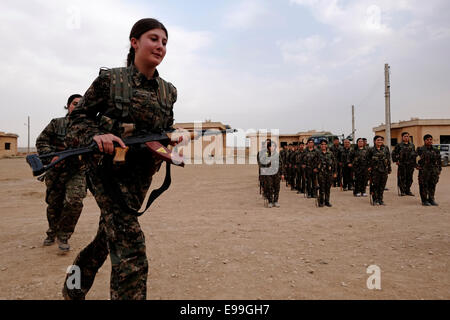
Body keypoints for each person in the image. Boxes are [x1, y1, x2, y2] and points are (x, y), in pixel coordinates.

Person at [62, 18, 178, 300]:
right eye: (154, 39)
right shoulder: (110, 80)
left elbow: (165, 129)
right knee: (129, 241)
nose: (160, 46)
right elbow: (77, 121)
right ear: (134, 42)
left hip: (140, 178)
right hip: (106, 174)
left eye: (164, 42)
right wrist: (95, 136)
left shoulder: (168, 91)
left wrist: (172, 137)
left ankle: (73, 285)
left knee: (107, 238)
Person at [36, 94, 86, 253]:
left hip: (77, 171)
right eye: (74, 103)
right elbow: (42, 141)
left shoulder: (89, 127)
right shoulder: (57, 123)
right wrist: (52, 156)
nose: (77, 106)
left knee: (74, 201)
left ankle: (64, 235)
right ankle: (52, 232)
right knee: (54, 204)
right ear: (68, 105)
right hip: (56, 170)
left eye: (81, 104)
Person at [417, 134, 441, 206]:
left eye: (431, 139)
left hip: (433, 171)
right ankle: (424, 200)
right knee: (423, 185)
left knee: (432, 185)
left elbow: (439, 160)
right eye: (427, 140)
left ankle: (431, 199)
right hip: (424, 171)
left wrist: (439, 170)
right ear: (424, 141)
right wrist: (416, 166)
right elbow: (414, 158)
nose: (429, 141)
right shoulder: (420, 149)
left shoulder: (436, 150)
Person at [367, 136, 392, 205]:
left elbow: (388, 158)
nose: (380, 141)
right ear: (374, 141)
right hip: (375, 170)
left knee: (382, 185)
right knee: (375, 185)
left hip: (384, 170)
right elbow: (367, 159)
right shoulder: (371, 149)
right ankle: (375, 199)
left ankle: (380, 199)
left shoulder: (385, 148)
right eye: (378, 140)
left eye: (381, 140)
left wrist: (389, 168)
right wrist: (369, 167)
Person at [391, 132, 417, 196]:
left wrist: (415, 163)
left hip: (410, 164)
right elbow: (394, 153)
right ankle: (402, 191)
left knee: (409, 178)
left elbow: (414, 154)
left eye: (408, 136)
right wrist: (396, 160)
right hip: (402, 164)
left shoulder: (412, 145)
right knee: (402, 178)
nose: (406, 137)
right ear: (402, 137)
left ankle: (408, 190)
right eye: (405, 136)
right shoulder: (399, 145)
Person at [260, 140, 281, 208]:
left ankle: (276, 201)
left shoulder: (277, 154)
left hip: (276, 173)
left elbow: (281, 164)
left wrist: (283, 173)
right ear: (268, 147)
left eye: (274, 146)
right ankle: (270, 201)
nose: (273, 147)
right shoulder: (266, 154)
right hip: (268, 173)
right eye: (271, 146)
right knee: (269, 187)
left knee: (277, 187)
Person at [317, 140, 337, 207]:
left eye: (324, 144)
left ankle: (327, 201)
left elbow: (334, 163)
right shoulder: (318, 153)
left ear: (326, 145)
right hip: (321, 173)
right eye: (322, 144)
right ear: (320, 145)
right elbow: (314, 162)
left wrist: (335, 172)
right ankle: (321, 201)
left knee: (327, 188)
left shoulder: (330, 153)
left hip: (329, 173)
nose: (323, 145)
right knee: (321, 188)